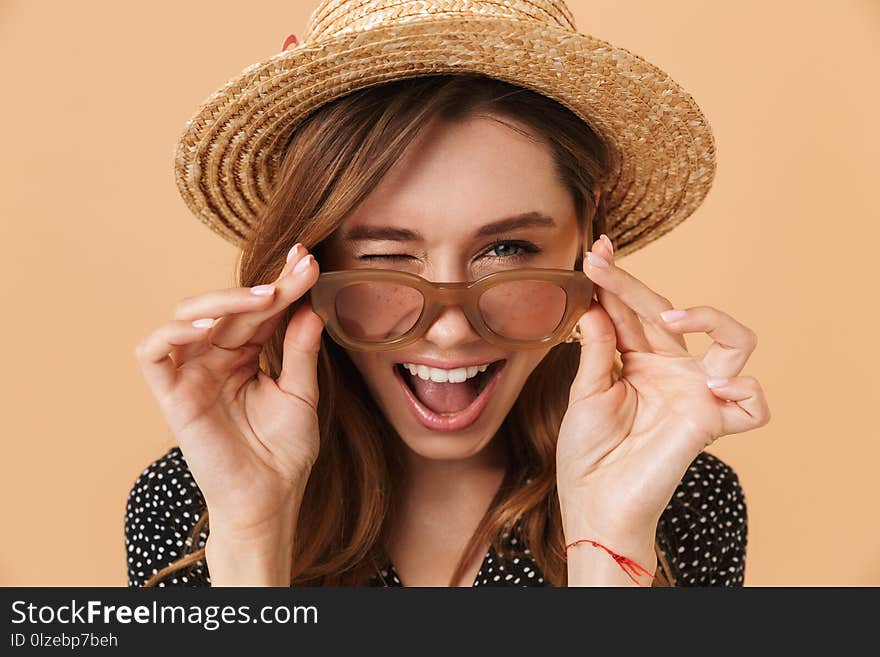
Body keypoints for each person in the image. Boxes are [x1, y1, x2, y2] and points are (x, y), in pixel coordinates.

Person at [126, 0, 770, 588]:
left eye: (507, 250)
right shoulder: (194, 502)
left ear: (587, 238)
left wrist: (612, 542)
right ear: (309, 263)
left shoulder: (679, 497)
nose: (451, 328)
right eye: (383, 255)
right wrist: (250, 537)